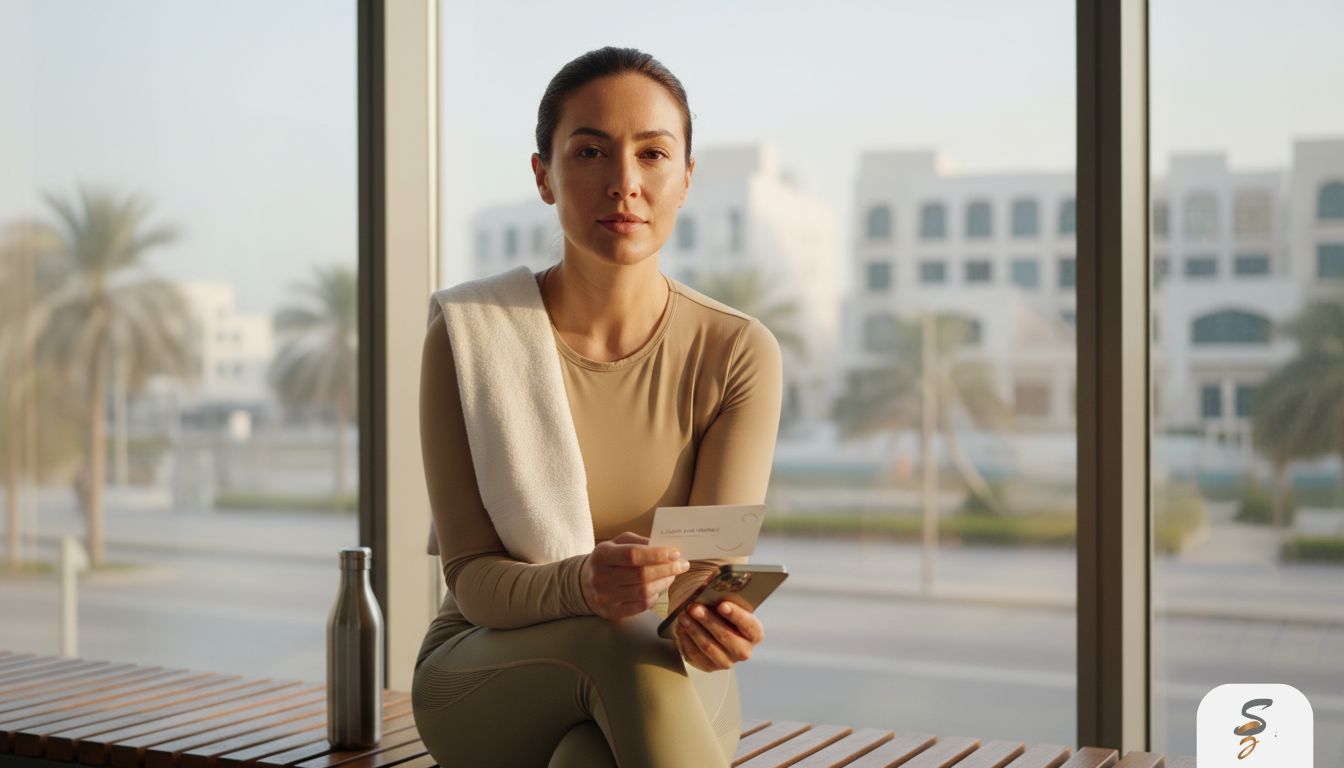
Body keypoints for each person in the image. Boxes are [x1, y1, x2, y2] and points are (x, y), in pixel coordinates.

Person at [411, 46, 783, 768]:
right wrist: (583, 584)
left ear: (686, 180)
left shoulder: (737, 351)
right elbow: (476, 582)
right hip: (489, 669)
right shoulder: (470, 335)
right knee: (615, 637)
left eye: (652, 154)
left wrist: (717, 622)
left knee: (589, 759)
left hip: (671, 667)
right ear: (543, 177)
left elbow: (707, 575)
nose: (623, 183)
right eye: (590, 152)